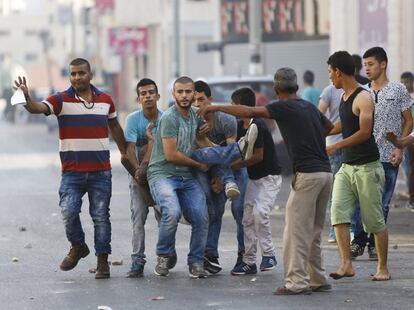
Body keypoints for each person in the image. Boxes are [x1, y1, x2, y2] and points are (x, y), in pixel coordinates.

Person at [198, 67, 334, 295]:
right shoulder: (308, 106)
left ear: (276, 89)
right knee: (314, 230)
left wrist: (215, 106)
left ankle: (296, 283)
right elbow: (329, 127)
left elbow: (250, 109)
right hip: (325, 173)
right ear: (297, 87)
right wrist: (309, 138)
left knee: (295, 232)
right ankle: (317, 278)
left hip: (308, 175)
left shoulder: (283, 106)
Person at [14, 58, 127, 279]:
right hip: (72, 172)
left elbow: (114, 126)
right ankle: (78, 246)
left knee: (101, 216)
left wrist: (125, 152)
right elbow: (38, 108)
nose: (77, 77)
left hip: (100, 172)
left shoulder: (105, 100)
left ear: (90, 75)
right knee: (68, 211)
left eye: (81, 73)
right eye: (73, 74)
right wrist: (27, 97)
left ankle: (103, 263)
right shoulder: (60, 100)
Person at [147, 76, 256, 278]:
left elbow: (203, 144)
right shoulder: (170, 118)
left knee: (202, 216)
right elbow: (171, 155)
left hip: (187, 173)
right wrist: (200, 164)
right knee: (171, 211)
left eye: (188, 92)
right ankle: (163, 256)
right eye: (180, 92)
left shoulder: (197, 116)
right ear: (174, 95)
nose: (185, 96)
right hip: (164, 173)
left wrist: (214, 152)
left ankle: (196, 262)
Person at [326, 50, 390, 281]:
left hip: (367, 167)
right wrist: (319, 130)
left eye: (330, 73)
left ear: (339, 72)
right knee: (338, 215)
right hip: (347, 167)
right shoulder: (344, 96)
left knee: (373, 221)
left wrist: (336, 146)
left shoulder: (363, 97)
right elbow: (344, 123)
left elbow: (364, 131)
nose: (330, 78)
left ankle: (383, 268)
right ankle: (346, 265)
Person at [350, 47, 413, 260]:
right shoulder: (362, 92)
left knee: (383, 203)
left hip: (389, 157)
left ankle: (374, 244)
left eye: (371, 64)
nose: (366, 68)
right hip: (365, 156)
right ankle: (358, 239)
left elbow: (408, 120)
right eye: (365, 65)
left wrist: (399, 147)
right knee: (360, 199)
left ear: (383, 64)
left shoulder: (398, 90)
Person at [192, 80, 249, 274]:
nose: (198, 104)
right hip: (207, 169)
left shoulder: (226, 119)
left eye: (201, 99)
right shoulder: (191, 121)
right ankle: (210, 256)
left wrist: (222, 177)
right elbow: (199, 154)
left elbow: (232, 157)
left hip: (233, 168)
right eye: (194, 100)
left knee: (239, 210)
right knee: (212, 209)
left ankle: (244, 256)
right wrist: (216, 177)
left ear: (210, 100)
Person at [228, 88, 282, 276]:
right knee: (247, 217)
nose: (232, 110)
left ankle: (269, 255)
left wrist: (235, 165)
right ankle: (249, 261)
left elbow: (258, 157)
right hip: (253, 178)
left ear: (242, 107)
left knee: (260, 213)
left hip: (269, 178)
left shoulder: (257, 125)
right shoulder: (239, 125)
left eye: (234, 106)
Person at [123, 78, 163, 278]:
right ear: (138, 98)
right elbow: (128, 150)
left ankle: (165, 256)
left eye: (151, 93)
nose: (147, 96)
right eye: (143, 94)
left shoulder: (165, 119)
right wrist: (138, 172)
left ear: (157, 96)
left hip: (160, 177)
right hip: (137, 176)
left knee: (164, 217)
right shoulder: (132, 119)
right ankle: (137, 261)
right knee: (138, 218)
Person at [318, 84, 344, 243]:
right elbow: (318, 114)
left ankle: (337, 233)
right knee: (339, 193)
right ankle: (337, 232)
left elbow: (318, 114)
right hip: (335, 148)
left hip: (338, 148)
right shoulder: (330, 90)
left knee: (337, 193)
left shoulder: (329, 90)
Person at [399, 72, 414, 212]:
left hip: (410, 139)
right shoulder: (401, 99)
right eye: (402, 82)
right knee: (409, 169)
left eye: (406, 82)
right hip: (407, 140)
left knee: (411, 170)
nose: (404, 85)